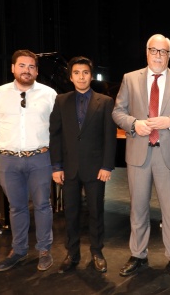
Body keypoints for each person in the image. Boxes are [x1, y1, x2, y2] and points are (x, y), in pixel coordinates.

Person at [112, 34, 170, 281]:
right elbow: (118, 112)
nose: (158, 55)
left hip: (168, 154)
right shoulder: (130, 79)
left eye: (164, 52)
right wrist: (134, 123)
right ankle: (138, 255)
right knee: (137, 209)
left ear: (169, 55)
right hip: (138, 153)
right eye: (154, 50)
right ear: (147, 52)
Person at [0, 49, 57, 272]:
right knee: (16, 208)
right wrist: (12, 143)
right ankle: (18, 250)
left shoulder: (49, 94)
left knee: (43, 205)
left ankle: (44, 250)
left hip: (40, 158)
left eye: (31, 67)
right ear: (13, 68)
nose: (26, 70)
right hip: (9, 160)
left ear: (36, 70)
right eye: (22, 66)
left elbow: (55, 127)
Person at [49, 56, 117, 274]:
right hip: (68, 168)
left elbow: (110, 137)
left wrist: (107, 166)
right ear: (70, 77)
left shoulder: (105, 102)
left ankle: (97, 252)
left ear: (91, 75)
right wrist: (56, 166)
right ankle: (72, 253)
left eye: (85, 72)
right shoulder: (61, 101)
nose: (81, 76)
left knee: (96, 211)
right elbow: (56, 135)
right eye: (76, 73)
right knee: (71, 213)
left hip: (96, 168)